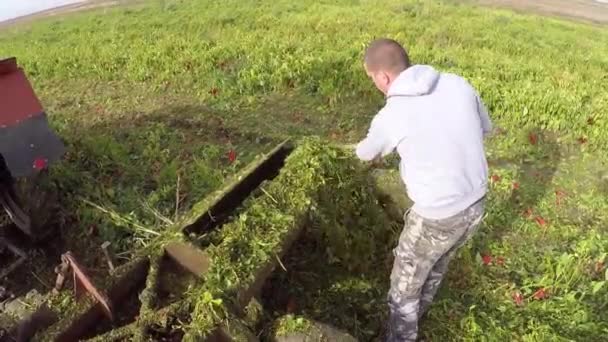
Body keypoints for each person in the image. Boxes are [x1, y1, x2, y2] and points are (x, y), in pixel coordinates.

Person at [353, 38, 493, 341]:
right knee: (438, 260)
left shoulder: (392, 114)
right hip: (477, 203)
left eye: (372, 80)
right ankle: (422, 310)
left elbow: (365, 153)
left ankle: (401, 336)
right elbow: (484, 127)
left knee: (403, 287)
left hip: (437, 216)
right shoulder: (458, 84)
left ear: (382, 77)